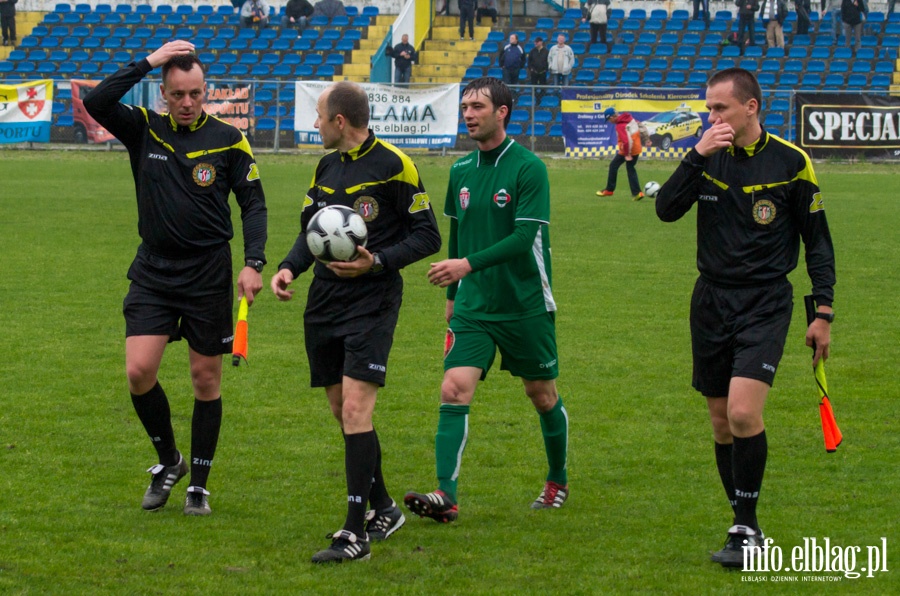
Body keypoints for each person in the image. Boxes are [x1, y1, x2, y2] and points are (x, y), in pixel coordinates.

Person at [655, 67, 835, 569]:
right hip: (710, 301)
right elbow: (666, 210)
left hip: (765, 302)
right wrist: (696, 154)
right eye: (708, 109)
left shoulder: (792, 162)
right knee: (719, 423)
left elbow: (818, 241)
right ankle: (743, 524)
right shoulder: (706, 157)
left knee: (741, 413)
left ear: (750, 107)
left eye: (720, 108)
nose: (711, 117)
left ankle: (748, 526)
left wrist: (823, 311)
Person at [83, 41, 268, 517]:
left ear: (206, 93)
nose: (188, 103)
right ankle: (169, 461)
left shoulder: (229, 138)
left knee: (205, 379)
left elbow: (253, 203)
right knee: (139, 371)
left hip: (207, 273)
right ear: (162, 93)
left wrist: (254, 261)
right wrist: (150, 59)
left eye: (196, 94)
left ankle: (199, 486)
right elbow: (98, 101)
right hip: (154, 270)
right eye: (178, 94)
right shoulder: (144, 128)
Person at [270, 81, 441, 564]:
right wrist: (288, 267)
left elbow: (428, 236)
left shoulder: (394, 164)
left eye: (319, 116)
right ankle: (384, 506)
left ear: (339, 121)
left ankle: (354, 534)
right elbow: (312, 232)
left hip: (372, 300)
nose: (316, 123)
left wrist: (378, 261)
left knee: (355, 413)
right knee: (343, 410)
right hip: (324, 301)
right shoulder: (325, 165)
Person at [404, 77, 570, 524]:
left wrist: (464, 267)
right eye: (464, 107)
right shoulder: (459, 171)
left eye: (478, 106)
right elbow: (457, 234)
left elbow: (522, 238)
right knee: (453, 388)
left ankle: (557, 479)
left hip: (525, 302)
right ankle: (446, 495)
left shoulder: (528, 167)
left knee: (541, 394)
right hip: (474, 305)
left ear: (503, 112)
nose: (469, 114)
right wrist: (455, 297)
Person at [596, 107, 644, 201]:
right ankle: (638, 193)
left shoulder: (620, 125)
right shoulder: (629, 118)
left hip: (628, 150)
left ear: (613, 117)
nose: (610, 122)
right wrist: (646, 139)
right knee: (630, 169)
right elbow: (641, 126)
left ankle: (609, 190)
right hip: (636, 148)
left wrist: (627, 154)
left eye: (609, 119)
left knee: (613, 165)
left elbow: (626, 141)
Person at [527, 36, 549, 101]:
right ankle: (535, 99)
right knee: (534, 88)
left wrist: (546, 69)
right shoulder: (532, 51)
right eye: (535, 42)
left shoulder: (546, 51)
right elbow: (529, 61)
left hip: (543, 72)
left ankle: (543, 99)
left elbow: (548, 61)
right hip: (534, 72)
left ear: (541, 42)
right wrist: (531, 68)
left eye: (537, 42)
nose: (535, 43)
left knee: (543, 87)